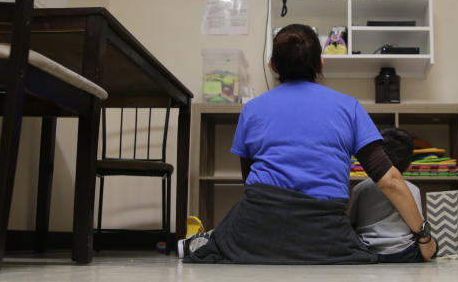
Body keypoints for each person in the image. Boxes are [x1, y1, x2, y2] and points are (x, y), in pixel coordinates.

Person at [179, 23, 436, 264]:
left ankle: (203, 240)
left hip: (256, 228)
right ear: (320, 63)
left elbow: (249, 181)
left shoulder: (252, 109)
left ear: (273, 66)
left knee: (215, 243)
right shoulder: (349, 107)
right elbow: (390, 180)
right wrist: (424, 236)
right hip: (323, 234)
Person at [348, 128, 431, 262]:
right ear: (409, 165)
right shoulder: (412, 189)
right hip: (404, 252)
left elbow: (352, 222)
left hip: (368, 251)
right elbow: (419, 228)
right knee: (433, 245)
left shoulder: (360, 188)